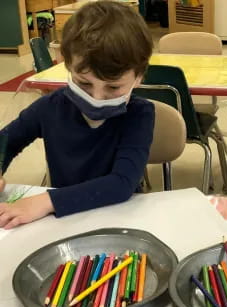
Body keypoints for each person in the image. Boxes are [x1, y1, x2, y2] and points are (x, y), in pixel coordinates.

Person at [0, 1, 154, 229]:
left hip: (119, 218)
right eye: (84, 83)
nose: (97, 98)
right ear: (66, 64)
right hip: (66, 220)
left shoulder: (139, 114)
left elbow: (121, 184)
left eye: (113, 88)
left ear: (139, 77)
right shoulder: (48, 107)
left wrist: (45, 201)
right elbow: (6, 141)